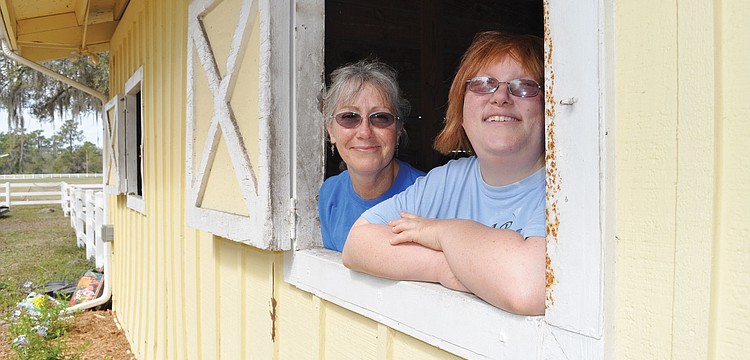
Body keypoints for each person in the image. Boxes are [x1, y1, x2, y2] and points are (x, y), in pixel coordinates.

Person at [342, 32, 546, 316]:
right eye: (483, 84)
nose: (500, 97)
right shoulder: (449, 179)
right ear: (461, 110)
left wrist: (443, 232)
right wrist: (443, 266)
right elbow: (357, 243)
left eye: (523, 86)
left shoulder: (559, 191)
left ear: (549, 108)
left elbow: (527, 288)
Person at [318, 59, 425, 252]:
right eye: (349, 117)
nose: (365, 132)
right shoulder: (329, 193)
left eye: (380, 117)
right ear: (331, 131)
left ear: (398, 130)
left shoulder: (428, 195)